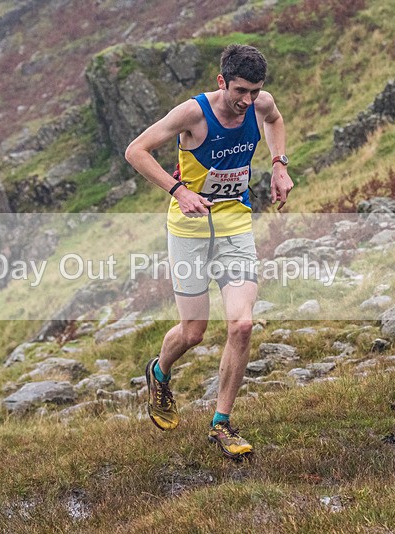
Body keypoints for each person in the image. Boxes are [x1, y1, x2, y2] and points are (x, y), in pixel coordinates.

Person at [125, 44, 293, 460]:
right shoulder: (193, 114)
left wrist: (279, 164)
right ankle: (159, 372)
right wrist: (178, 190)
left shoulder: (260, 104)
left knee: (242, 325)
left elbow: (274, 119)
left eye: (255, 91)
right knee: (193, 332)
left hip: (235, 224)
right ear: (222, 82)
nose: (247, 101)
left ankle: (221, 424)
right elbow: (136, 151)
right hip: (189, 230)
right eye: (240, 91)